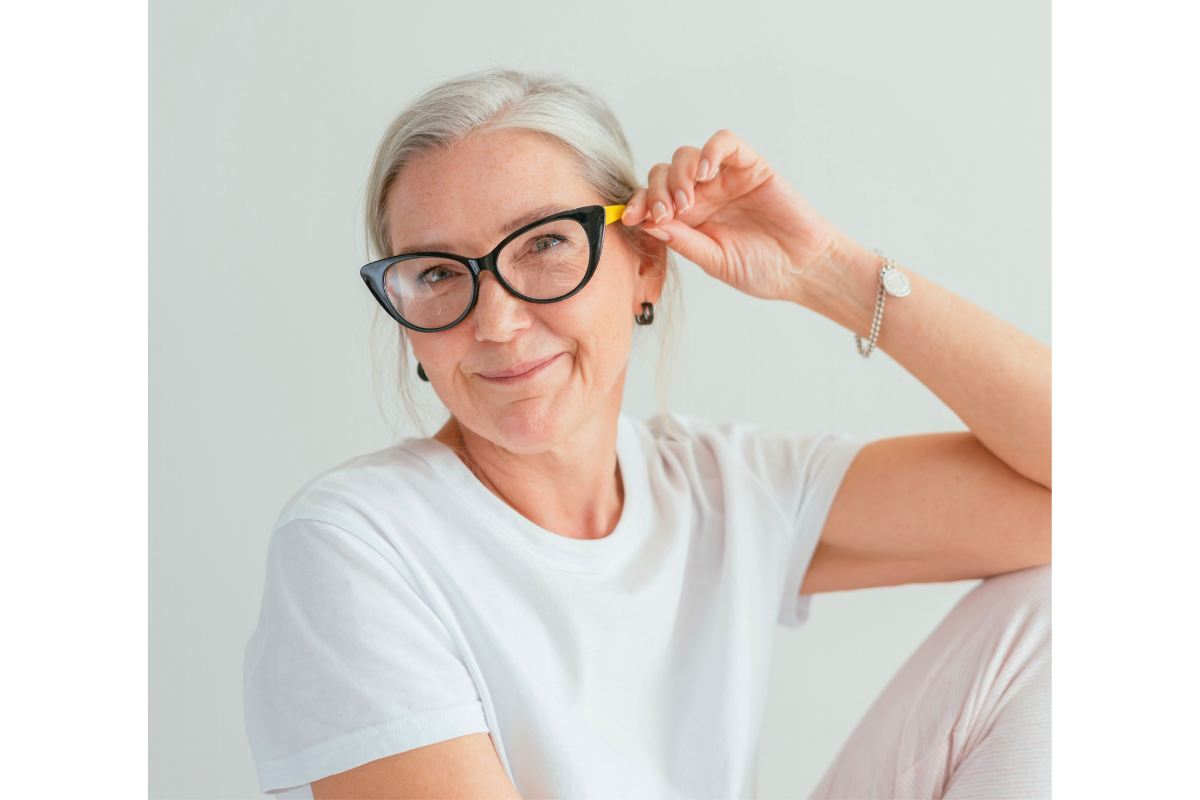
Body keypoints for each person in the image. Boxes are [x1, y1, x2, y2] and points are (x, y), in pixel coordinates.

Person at [243, 69, 1051, 799]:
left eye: (546, 244)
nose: (495, 320)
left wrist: (829, 271)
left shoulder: (720, 488)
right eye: (438, 273)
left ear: (646, 264)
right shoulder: (357, 545)